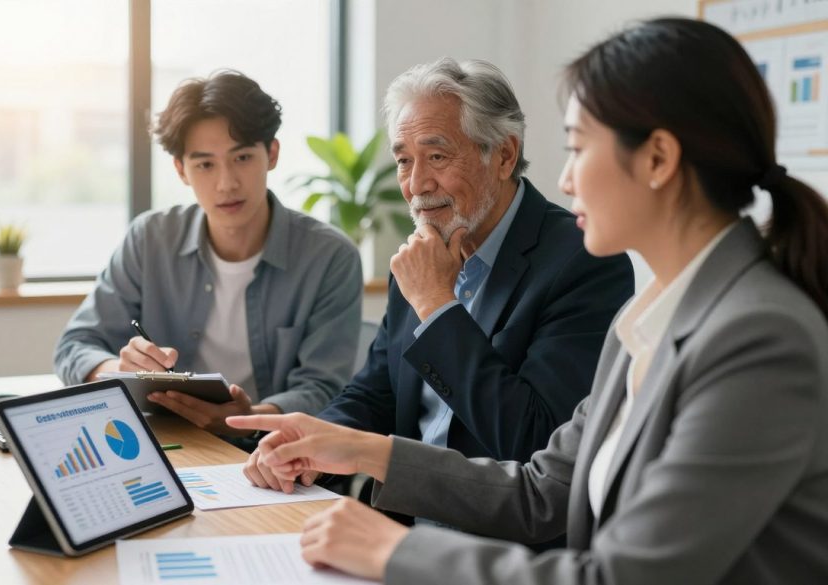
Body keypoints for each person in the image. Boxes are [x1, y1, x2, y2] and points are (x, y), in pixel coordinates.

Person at [228, 17, 828, 584]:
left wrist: (395, 550)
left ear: (658, 159)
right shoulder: (649, 318)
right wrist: (350, 445)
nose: (565, 180)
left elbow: (622, 576)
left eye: (577, 146)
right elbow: (542, 493)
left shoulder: (760, 338)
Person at [243, 58, 635, 493]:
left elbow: (536, 443)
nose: (416, 184)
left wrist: (436, 304)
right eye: (404, 161)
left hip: (500, 542)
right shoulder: (420, 257)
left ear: (504, 155)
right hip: (402, 521)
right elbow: (377, 393)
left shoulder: (583, 260)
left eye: (436, 156)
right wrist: (305, 447)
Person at [54, 71, 362, 441]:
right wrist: (117, 368)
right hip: (162, 443)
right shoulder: (150, 239)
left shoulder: (330, 257)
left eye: (243, 157)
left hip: (269, 451)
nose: (226, 183)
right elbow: (75, 346)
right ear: (181, 170)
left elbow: (324, 388)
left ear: (273, 154)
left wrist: (248, 418)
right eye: (205, 164)